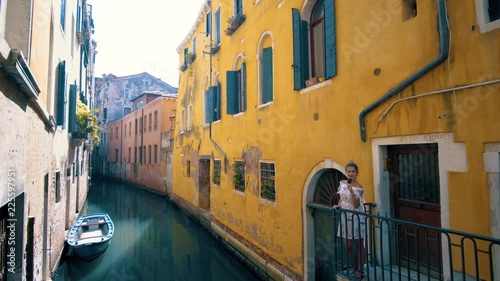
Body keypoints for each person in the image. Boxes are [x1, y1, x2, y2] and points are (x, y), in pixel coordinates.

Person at [332, 161, 367, 279]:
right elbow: (342, 198)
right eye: (348, 171)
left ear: (356, 173)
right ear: (346, 172)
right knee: (348, 244)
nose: (350, 174)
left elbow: (356, 205)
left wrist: (352, 191)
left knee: (358, 243)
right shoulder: (342, 183)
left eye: (353, 171)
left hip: (356, 216)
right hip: (344, 216)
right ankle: (355, 265)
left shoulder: (359, 188)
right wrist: (338, 205)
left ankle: (359, 269)